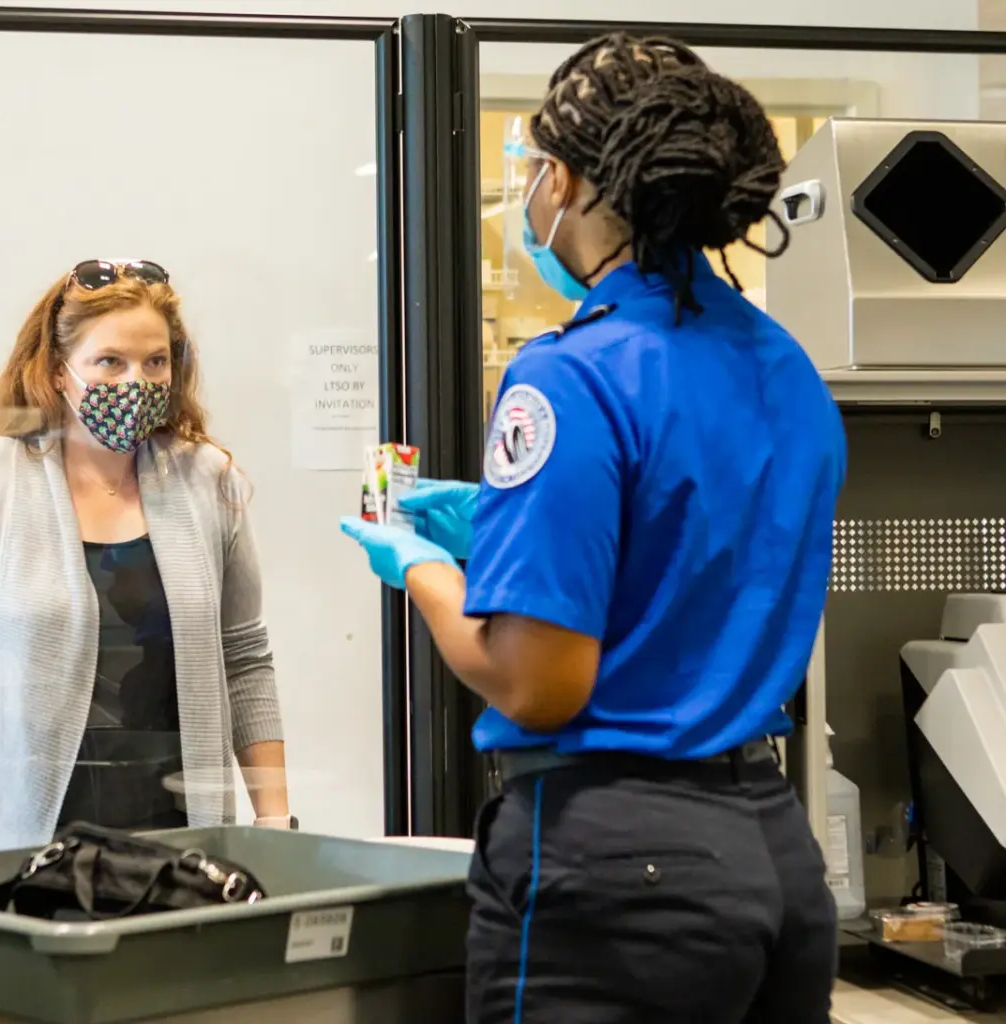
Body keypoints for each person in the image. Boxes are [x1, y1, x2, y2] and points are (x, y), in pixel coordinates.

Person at [340, 34, 846, 1024]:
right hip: (775, 851)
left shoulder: (568, 375)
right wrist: (511, 527)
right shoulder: (784, 363)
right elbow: (691, 556)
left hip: (623, 867)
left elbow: (540, 682)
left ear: (564, 181)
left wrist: (427, 570)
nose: (531, 189)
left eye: (535, 166)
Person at [0, 260, 292, 857]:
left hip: (181, 830)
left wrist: (274, 821)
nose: (137, 381)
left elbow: (245, 659)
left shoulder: (208, 480)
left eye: (155, 362)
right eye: (110, 362)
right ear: (57, 372)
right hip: (23, 835)